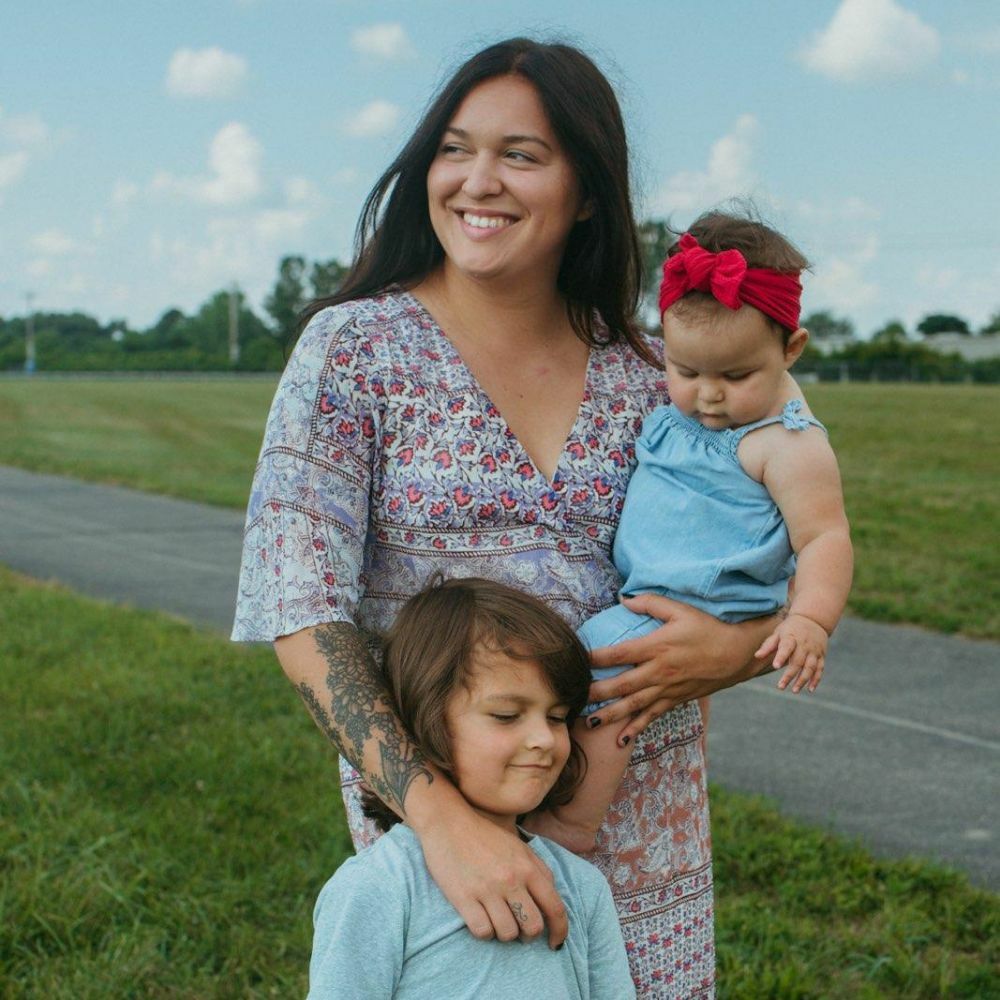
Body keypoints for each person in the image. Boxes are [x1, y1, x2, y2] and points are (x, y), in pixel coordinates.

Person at [233, 37, 781, 997]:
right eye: (454, 148)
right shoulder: (357, 348)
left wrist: (741, 649)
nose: (477, 180)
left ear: (590, 193)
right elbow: (300, 609)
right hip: (447, 838)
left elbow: (777, 543)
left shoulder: (656, 373)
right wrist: (441, 822)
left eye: (521, 154)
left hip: (643, 832)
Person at [529, 211, 853, 852]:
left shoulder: (785, 445)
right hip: (654, 587)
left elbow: (825, 538)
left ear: (791, 349)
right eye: (686, 371)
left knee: (598, 681)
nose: (707, 396)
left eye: (735, 377)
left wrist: (811, 621)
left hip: (696, 600)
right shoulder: (684, 407)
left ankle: (569, 826)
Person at [306, 577, 636, 999]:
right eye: (506, 715)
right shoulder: (377, 889)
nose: (544, 739)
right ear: (425, 721)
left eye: (557, 717)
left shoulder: (581, 886)